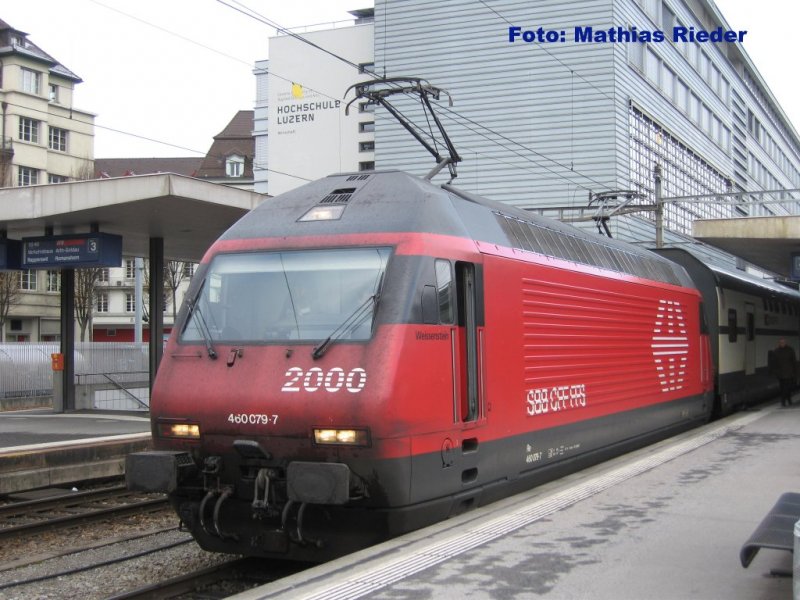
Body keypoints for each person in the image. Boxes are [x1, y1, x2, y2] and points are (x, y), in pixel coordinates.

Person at [771, 339, 797, 407]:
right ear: (779, 343)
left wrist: (795, 371)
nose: (782, 344)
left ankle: (784, 400)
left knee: (787, 387)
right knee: (783, 387)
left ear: (785, 343)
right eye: (781, 343)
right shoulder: (776, 351)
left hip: (789, 373)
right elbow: (774, 362)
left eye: (783, 342)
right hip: (781, 374)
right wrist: (775, 372)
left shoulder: (790, 350)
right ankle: (787, 400)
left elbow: (794, 361)